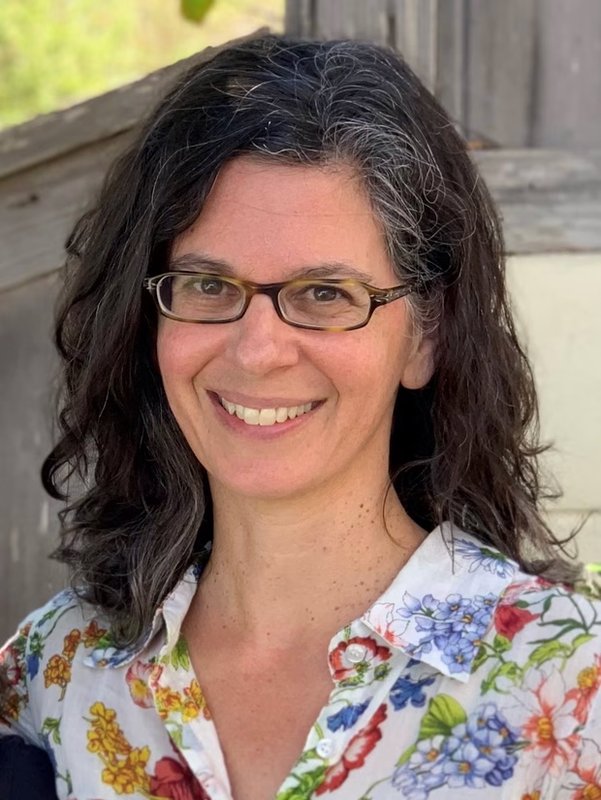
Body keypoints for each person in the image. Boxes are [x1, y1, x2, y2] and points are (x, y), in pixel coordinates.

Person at [1, 32, 600, 800]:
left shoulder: (571, 689)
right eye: (208, 285)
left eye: (324, 295)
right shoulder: (56, 673)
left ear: (426, 336)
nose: (258, 351)